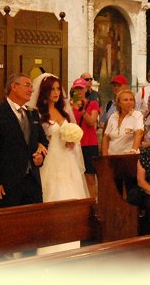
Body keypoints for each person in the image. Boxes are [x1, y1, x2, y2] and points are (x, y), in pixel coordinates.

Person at [0, 73, 48, 208]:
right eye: (27, 85)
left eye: (31, 86)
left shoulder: (32, 113)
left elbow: (42, 140)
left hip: (32, 180)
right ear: (14, 87)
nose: (31, 89)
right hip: (9, 182)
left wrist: (40, 156)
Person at [34, 74, 90, 202]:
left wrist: (72, 141)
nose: (56, 92)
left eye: (58, 89)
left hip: (66, 157)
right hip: (49, 157)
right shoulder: (38, 113)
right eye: (52, 89)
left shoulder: (63, 111)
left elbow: (70, 131)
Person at [70, 78, 101, 198]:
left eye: (81, 88)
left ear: (86, 89)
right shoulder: (68, 105)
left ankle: (93, 203)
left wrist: (82, 111)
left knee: (90, 175)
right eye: (76, 88)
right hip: (75, 144)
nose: (79, 91)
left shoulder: (92, 104)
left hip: (89, 143)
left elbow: (92, 121)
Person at [102, 89, 144, 155]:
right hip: (112, 156)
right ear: (119, 103)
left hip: (128, 156)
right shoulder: (113, 116)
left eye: (131, 100)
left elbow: (139, 133)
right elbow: (106, 137)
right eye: (125, 100)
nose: (129, 102)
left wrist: (133, 151)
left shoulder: (137, 115)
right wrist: (104, 156)